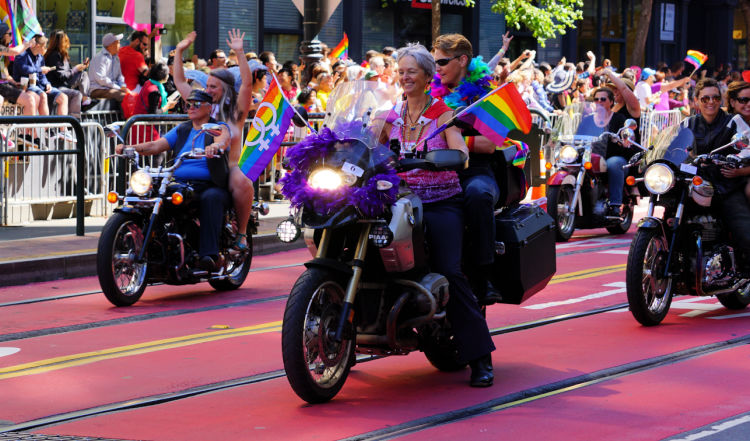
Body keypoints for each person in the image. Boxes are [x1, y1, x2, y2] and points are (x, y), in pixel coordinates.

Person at [382, 42, 495, 388]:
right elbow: (368, 145)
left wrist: (444, 157)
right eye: (400, 72)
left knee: (449, 270)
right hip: (399, 201)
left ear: (428, 75)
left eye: (411, 72)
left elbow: (460, 152)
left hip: (439, 201)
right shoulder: (390, 115)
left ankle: (480, 358)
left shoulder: (443, 114)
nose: (404, 77)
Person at [116, 89, 230, 271]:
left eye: (197, 104)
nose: (191, 107)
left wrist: (215, 146)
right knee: (152, 198)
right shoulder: (183, 129)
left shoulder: (217, 127)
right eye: (188, 104)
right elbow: (155, 145)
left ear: (209, 108)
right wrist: (130, 148)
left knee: (211, 198)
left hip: (208, 184)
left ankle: (209, 255)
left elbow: (224, 139)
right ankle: (159, 246)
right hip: (180, 183)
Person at [430, 33, 502, 305]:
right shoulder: (430, 91)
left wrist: (453, 140)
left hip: (475, 171)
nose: (437, 68)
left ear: (462, 60)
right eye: (434, 62)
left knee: (478, 195)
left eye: (442, 61)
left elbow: (489, 145)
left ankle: (484, 276)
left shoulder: (487, 94)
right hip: (434, 170)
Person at [174, 29, 255, 251]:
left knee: (242, 181)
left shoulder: (235, 111)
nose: (207, 90)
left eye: (213, 87)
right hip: (202, 167)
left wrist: (239, 52)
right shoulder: (201, 104)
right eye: (206, 86)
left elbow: (247, 85)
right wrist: (179, 52)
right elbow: (180, 81)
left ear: (225, 88)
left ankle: (241, 232)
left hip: (228, 168)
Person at [685, 78, 750, 275]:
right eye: (705, 98)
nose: (710, 102)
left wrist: (735, 159)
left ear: (721, 100)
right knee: (672, 214)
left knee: (743, 228)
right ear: (696, 101)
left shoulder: (734, 122)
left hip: (725, 184)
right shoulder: (689, 122)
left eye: (714, 97)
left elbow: (746, 147)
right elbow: (673, 146)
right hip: (695, 183)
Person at [584, 87, 628, 216]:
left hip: (613, 157)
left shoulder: (618, 118)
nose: (599, 102)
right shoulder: (587, 119)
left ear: (611, 102)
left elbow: (627, 136)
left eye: (603, 99)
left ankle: (615, 205)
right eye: (596, 99)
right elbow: (577, 135)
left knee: (613, 164)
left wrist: (625, 139)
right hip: (590, 157)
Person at [12, 34, 72, 117]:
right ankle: (45, 127)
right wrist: (40, 69)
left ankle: (62, 129)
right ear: (37, 45)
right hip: (25, 85)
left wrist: (47, 84)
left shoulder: (40, 57)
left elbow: (42, 76)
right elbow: (24, 69)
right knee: (42, 95)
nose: (45, 48)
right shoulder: (22, 55)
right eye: (44, 46)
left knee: (63, 97)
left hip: (39, 85)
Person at [44, 29, 95, 111]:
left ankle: (85, 99)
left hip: (65, 83)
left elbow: (67, 73)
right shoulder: (54, 55)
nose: (68, 43)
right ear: (61, 42)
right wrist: (75, 69)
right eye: (66, 40)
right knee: (77, 90)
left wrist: (80, 67)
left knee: (83, 74)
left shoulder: (63, 54)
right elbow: (62, 76)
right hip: (57, 86)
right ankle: (83, 102)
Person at [0, 23, 40, 120]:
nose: (11, 37)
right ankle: (26, 133)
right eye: (9, 34)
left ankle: (27, 133)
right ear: (2, 36)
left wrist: (14, 82)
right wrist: (27, 44)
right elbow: (15, 51)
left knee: (35, 97)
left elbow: (5, 75)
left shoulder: (2, 55)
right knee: (29, 100)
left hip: (4, 86)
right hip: (2, 87)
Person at [725, 81, 750, 203]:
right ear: (732, 102)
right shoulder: (724, 121)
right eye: (744, 100)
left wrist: (741, 172)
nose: (749, 104)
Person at [89, 33, 129, 102]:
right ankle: (128, 113)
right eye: (118, 43)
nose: (120, 45)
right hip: (98, 89)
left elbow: (120, 76)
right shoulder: (100, 58)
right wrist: (118, 88)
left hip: (111, 88)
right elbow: (102, 79)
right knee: (123, 96)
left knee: (130, 94)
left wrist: (123, 86)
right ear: (111, 45)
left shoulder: (116, 58)